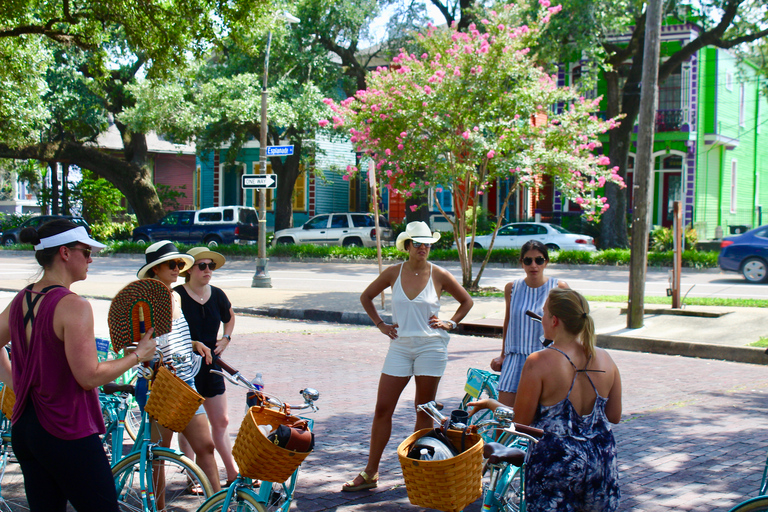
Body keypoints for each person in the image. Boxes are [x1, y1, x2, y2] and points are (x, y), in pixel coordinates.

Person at [0, 220, 156, 512]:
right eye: (86, 251)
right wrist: (138, 355)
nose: (91, 258)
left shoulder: (23, 298)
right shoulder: (74, 306)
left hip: (27, 427)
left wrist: (18, 386)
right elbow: (88, 377)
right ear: (64, 253)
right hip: (66, 429)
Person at [342, 221, 473, 492]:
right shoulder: (393, 272)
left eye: (427, 243)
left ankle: (419, 471)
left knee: (423, 409)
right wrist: (381, 325)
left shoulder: (439, 274)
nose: (423, 247)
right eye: (418, 243)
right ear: (407, 245)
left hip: (431, 347)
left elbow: (467, 301)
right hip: (400, 347)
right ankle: (370, 472)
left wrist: (451, 322)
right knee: (382, 408)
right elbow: (366, 296)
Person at [472, 288, 622, 512]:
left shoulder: (539, 361)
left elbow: (521, 422)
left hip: (556, 463)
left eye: (543, 313)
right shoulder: (605, 358)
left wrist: (491, 404)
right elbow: (614, 416)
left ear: (554, 320)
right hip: (601, 459)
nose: (540, 319)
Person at [135, 241, 221, 497]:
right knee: (160, 453)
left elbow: (174, 336)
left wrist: (193, 343)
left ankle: (216, 504)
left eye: (178, 264)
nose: (177, 269)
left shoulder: (174, 295)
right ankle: (158, 507)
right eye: (171, 265)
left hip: (185, 381)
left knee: (205, 446)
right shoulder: (145, 299)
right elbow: (140, 345)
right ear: (155, 269)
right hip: (159, 384)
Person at [174, 247, 238, 487]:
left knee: (220, 420)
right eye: (202, 266)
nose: (208, 270)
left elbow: (229, 317)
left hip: (211, 365)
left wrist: (226, 338)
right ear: (189, 269)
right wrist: (191, 343)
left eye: (211, 266)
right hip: (183, 366)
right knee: (189, 426)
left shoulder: (218, 295)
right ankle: (193, 475)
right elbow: (167, 331)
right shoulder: (176, 295)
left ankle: (232, 472)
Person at [492, 240, 568, 406]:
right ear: (522, 263)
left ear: (546, 262)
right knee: (503, 415)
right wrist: (503, 354)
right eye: (528, 260)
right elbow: (508, 321)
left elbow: (568, 325)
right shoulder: (512, 287)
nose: (533, 265)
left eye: (539, 260)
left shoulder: (558, 287)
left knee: (541, 417)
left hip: (546, 357)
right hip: (515, 357)